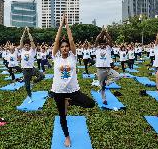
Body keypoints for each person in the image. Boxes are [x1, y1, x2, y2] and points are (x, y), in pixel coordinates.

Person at [51, 14, 95, 147]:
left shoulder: (73, 57)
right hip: (58, 91)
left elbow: (71, 40)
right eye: (62, 47)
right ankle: (67, 137)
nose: (65, 48)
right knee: (62, 117)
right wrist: (60, 25)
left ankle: (69, 101)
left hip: (73, 90)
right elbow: (57, 39)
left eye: (66, 47)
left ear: (69, 48)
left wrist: (67, 25)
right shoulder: (56, 57)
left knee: (90, 103)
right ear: (59, 48)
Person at [95, 26, 120, 105]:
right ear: (99, 44)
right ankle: (104, 99)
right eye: (101, 44)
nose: (102, 45)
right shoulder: (97, 49)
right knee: (101, 86)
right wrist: (102, 32)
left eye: (104, 44)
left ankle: (107, 83)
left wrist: (105, 32)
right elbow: (96, 40)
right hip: (100, 70)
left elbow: (110, 40)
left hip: (108, 69)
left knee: (118, 76)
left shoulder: (108, 48)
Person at [18, 27, 44, 103]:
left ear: (29, 46)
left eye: (28, 45)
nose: (26, 46)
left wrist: (28, 32)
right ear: (24, 46)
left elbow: (32, 41)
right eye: (25, 45)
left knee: (42, 76)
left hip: (32, 69)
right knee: (27, 86)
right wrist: (24, 32)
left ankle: (34, 81)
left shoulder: (32, 51)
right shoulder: (22, 50)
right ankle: (30, 97)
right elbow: (21, 40)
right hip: (25, 70)